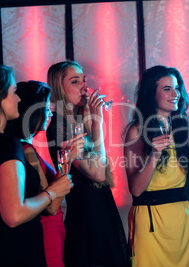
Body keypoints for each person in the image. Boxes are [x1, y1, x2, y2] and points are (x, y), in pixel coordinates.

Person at [0, 65, 73, 267]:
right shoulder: (7, 145)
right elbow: (13, 215)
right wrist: (53, 192)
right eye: (14, 92)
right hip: (16, 251)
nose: (19, 100)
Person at [46, 61, 130, 267]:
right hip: (87, 218)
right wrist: (98, 121)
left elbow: (102, 171)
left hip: (99, 211)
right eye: (75, 82)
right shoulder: (59, 125)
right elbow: (98, 174)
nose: (84, 86)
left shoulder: (77, 120)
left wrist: (91, 120)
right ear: (59, 88)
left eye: (84, 80)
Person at [124, 65, 189, 266]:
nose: (175, 94)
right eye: (167, 89)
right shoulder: (137, 131)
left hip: (183, 221)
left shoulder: (184, 128)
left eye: (176, 88)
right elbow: (135, 189)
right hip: (150, 222)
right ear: (152, 94)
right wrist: (154, 154)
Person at [5, 81, 85, 267]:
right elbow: (50, 206)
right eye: (46, 108)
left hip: (53, 231)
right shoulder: (26, 150)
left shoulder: (26, 147)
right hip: (46, 233)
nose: (50, 113)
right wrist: (69, 159)